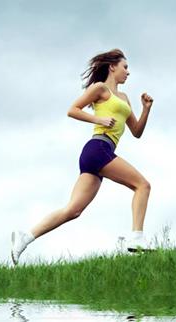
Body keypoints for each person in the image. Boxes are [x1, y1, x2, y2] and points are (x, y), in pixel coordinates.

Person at [11, 48, 155, 265]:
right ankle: (137, 238)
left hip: (100, 153)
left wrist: (146, 109)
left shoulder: (124, 98)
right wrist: (99, 121)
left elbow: (136, 131)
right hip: (98, 148)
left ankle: (25, 237)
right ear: (112, 67)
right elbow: (73, 110)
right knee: (143, 185)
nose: (128, 72)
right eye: (125, 67)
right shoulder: (100, 89)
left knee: (73, 210)